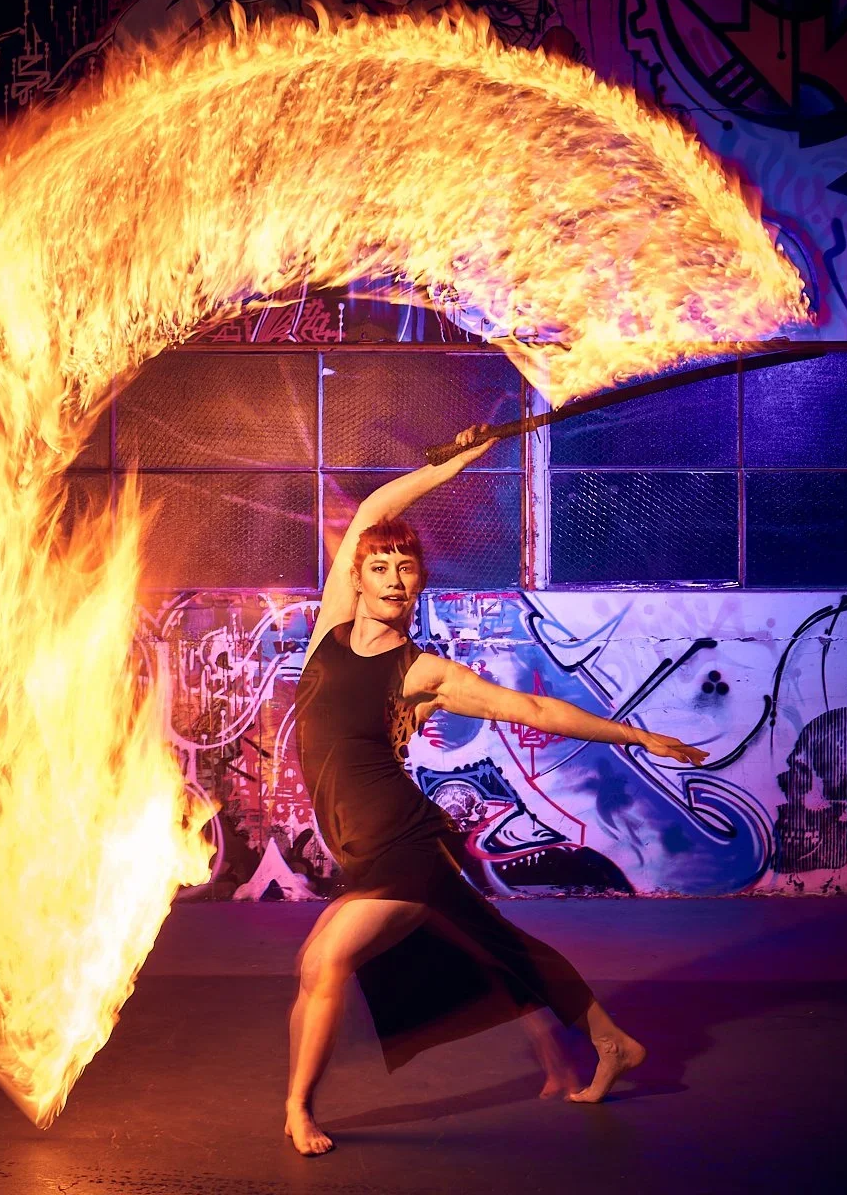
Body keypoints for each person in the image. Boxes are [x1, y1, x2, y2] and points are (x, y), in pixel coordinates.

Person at [286, 424, 709, 1156]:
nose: (391, 577)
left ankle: (298, 1109)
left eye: (405, 567)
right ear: (356, 577)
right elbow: (367, 513)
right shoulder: (331, 628)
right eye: (379, 565)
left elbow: (538, 711)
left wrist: (635, 736)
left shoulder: (423, 673)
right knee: (495, 943)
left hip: (400, 843)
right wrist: (450, 463)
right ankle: (607, 1041)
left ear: (419, 581)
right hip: (360, 844)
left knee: (326, 961)